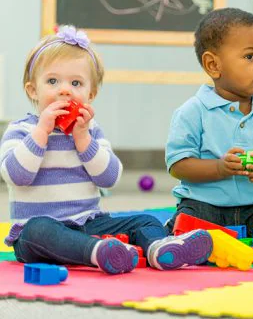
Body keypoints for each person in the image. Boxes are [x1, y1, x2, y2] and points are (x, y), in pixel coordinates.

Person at [0, 26, 212, 275]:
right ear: (33, 90)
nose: (64, 90)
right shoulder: (22, 129)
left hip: (88, 222)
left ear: (90, 95)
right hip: (39, 232)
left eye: (76, 83)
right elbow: (16, 176)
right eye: (52, 81)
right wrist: (41, 133)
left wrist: (83, 139)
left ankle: (160, 249)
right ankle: (98, 252)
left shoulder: (90, 131)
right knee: (37, 231)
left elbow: (109, 177)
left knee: (145, 220)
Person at [164, 8, 253, 236]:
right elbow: (178, 165)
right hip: (205, 204)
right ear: (213, 65)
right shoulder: (193, 111)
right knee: (187, 232)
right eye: (250, 56)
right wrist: (220, 168)